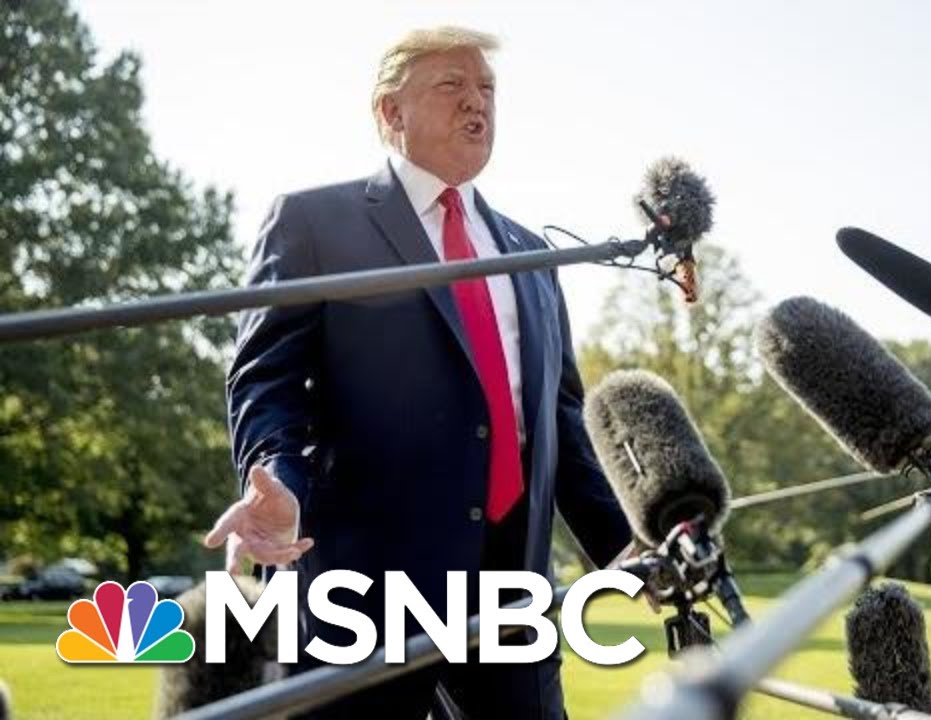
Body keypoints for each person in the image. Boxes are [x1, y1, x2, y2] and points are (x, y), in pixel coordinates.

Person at [203, 26, 633, 719]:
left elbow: (560, 421)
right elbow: (265, 379)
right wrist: (277, 479)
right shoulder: (315, 222)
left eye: (487, 88)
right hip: (363, 591)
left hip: (512, 598)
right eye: (451, 85)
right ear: (390, 111)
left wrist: (629, 541)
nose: (477, 102)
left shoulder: (530, 254)